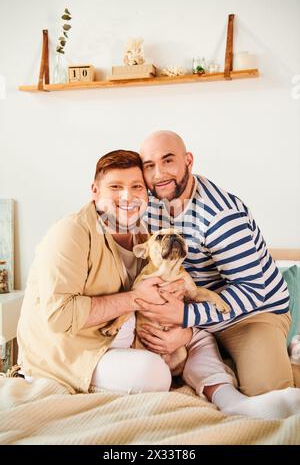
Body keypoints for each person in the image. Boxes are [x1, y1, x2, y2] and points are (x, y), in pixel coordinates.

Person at [136, 130, 300, 419]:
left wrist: (185, 320)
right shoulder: (150, 208)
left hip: (251, 314)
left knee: (271, 403)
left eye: (168, 160)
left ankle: (286, 361)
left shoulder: (221, 216)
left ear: (188, 161)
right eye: (149, 165)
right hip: (195, 312)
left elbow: (252, 290)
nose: (159, 173)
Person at [17, 150, 184, 395]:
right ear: (95, 191)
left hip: (121, 337)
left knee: (202, 336)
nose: (127, 196)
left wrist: (183, 333)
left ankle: (229, 398)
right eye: (115, 186)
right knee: (153, 373)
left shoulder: (145, 235)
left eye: (136, 186)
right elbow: (59, 317)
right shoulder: (71, 232)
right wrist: (136, 298)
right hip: (71, 351)